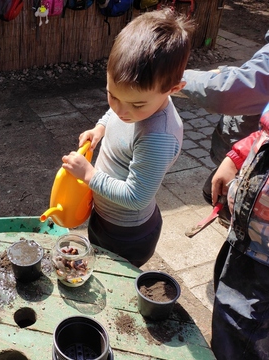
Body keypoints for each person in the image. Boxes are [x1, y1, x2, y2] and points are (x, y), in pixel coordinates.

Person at [61, 8, 193, 267]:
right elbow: (115, 112)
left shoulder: (158, 136)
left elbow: (136, 197)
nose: (121, 110)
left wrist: (88, 175)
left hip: (127, 233)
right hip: (104, 215)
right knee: (96, 266)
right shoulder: (130, 104)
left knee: (116, 281)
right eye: (112, 95)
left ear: (173, 89)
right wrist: (100, 128)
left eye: (136, 104)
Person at [181, 30, 269, 224]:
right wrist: (236, 158)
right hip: (246, 160)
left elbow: (231, 92)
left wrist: (175, 78)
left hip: (257, 174)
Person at [206, 103, 269, 359]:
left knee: (243, 335)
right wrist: (237, 157)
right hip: (245, 238)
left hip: (264, 261)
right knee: (227, 312)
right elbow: (264, 132)